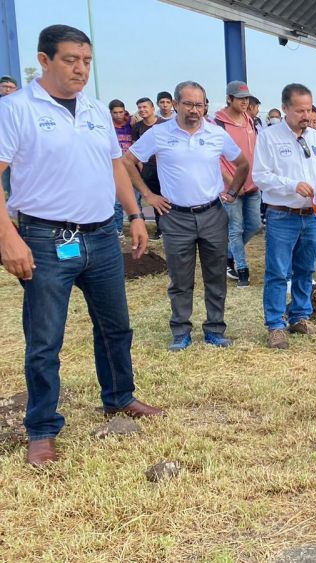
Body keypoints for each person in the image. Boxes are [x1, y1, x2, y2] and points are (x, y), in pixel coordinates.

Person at [0, 25, 164, 466]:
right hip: (44, 237)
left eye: (87, 61)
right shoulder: (15, 109)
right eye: (71, 59)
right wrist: (8, 237)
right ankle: (41, 428)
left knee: (115, 327)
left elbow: (114, 166)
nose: (80, 69)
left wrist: (133, 216)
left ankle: (119, 397)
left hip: (100, 236)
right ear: (45, 59)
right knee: (45, 339)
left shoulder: (93, 109)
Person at [126, 81, 250, 350]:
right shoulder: (159, 133)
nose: (195, 110)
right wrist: (149, 195)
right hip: (175, 216)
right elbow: (127, 161)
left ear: (206, 106)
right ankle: (181, 331)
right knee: (180, 279)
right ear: (176, 103)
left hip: (213, 214)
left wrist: (233, 191)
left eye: (200, 104)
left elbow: (242, 164)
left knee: (215, 275)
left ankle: (215, 329)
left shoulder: (216, 133)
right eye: (189, 104)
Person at [253, 83, 316, 349]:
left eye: (309, 110)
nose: (306, 116)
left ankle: (300, 316)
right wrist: (291, 185)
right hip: (282, 215)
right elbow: (260, 176)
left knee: (306, 269)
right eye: (300, 110)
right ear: (285, 108)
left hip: (312, 215)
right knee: (277, 271)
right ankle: (275, 325)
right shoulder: (269, 137)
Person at [214, 80, 262, 288]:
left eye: (247, 98)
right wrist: (232, 184)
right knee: (236, 229)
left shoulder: (249, 120)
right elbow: (214, 159)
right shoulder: (217, 124)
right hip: (231, 188)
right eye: (240, 98)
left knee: (255, 225)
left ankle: (226, 255)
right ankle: (241, 270)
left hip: (252, 185)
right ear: (229, 98)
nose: (245, 102)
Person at [132, 97, 166, 240]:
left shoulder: (164, 124)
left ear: (153, 109)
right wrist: (141, 167)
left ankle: (169, 228)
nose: (142, 110)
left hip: (164, 168)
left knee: (168, 198)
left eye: (145, 107)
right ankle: (160, 230)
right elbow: (134, 149)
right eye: (140, 107)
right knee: (155, 199)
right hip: (148, 169)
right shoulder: (137, 127)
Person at [109, 99, 136, 237]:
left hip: (132, 169)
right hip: (115, 169)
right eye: (115, 113)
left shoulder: (132, 125)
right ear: (111, 113)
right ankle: (118, 230)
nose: (118, 115)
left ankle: (136, 227)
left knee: (135, 202)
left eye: (121, 112)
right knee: (117, 203)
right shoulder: (108, 127)